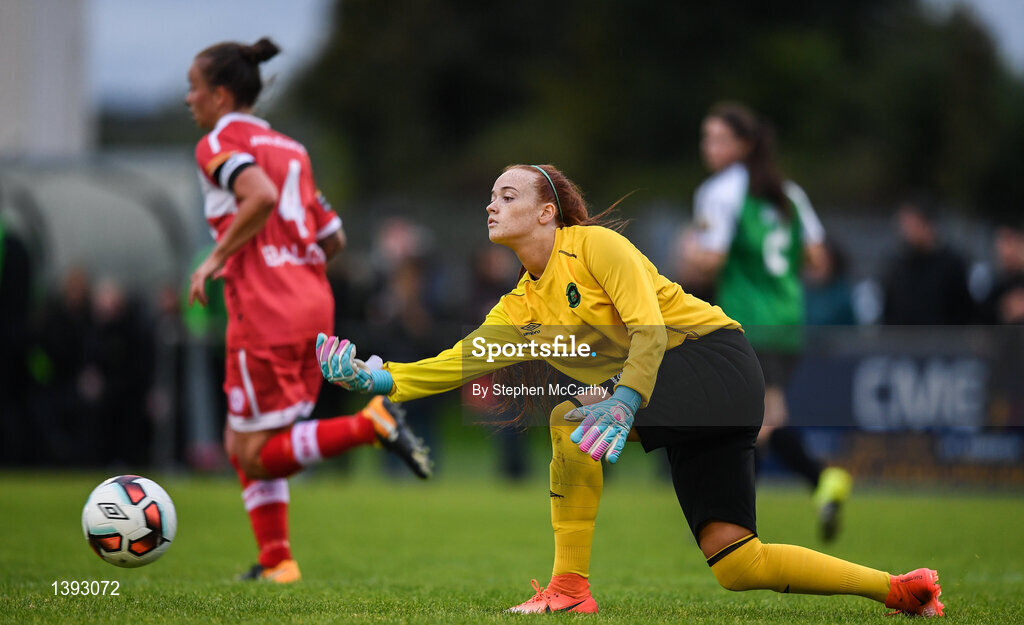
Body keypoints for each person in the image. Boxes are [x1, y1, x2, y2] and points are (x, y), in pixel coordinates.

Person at [315, 163, 944, 617]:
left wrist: (622, 399)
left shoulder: (596, 246)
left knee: (566, 418)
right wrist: (376, 378)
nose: (491, 205)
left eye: (506, 195)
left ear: (545, 212)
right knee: (737, 564)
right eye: (489, 197)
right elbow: (460, 361)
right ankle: (897, 589)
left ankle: (569, 590)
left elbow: (648, 331)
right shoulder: (520, 304)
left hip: (718, 362)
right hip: (697, 396)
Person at [185, 37, 432, 583]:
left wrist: (215, 261)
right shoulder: (292, 148)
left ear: (221, 95)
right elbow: (335, 237)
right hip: (311, 304)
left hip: (264, 311)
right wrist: (291, 262)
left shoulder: (218, 142)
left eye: (194, 88)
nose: (188, 99)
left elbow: (260, 197)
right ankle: (278, 560)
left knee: (250, 453)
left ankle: (369, 425)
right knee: (245, 440)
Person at [680, 102, 852, 541]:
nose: (708, 147)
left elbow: (711, 260)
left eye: (718, 138)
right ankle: (738, 517)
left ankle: (814, 482)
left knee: (757, 421)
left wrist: (687, 252)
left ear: (744, 145)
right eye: (706, 137)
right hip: (789, 318)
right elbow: (817, 259)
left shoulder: (720, 191)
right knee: (754, 417)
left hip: (748, 321)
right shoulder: (788, 193)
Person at [881, 197, 974, 325]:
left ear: (928, 224)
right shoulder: (897, 268)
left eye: (911, 223)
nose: (905, 231)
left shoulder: (952, 265)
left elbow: (963, 312)